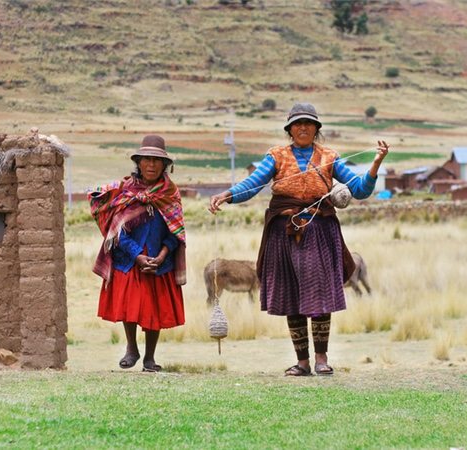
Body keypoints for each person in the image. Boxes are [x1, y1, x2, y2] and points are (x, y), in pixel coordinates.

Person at [209, 102, 389, 376]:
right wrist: (227, 195)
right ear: (290, 129)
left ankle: (321, 359)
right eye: (297, 124)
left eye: (308, 123)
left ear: (316, 129)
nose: (303, 127)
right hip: (284, 231)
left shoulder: (330, 156)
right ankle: (302, 362)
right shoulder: (276, 156)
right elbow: (252, 184)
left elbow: (360, 190)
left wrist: (375, 165)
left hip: (319, 231)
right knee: (292, 295)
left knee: (318, 293)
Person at [90, 134, 186, 372]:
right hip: (130, 259)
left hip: (159, 261)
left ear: (165, 165)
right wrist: (136, 255)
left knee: (153, 309)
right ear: (139, 163)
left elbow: (176, 231)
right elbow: (116, 231)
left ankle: (149, 358)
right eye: (146, 160)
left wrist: (163, 254)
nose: (151, 165)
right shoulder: (125, 191)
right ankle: (131, 348)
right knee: (130, 307)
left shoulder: (170, 193)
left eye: (156, 160)